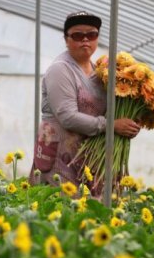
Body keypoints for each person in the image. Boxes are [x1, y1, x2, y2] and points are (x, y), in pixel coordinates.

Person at [31, 11, 140, 195]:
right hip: (60, 157)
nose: (85, 40)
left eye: (91, 34)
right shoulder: (60, 70)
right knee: (59, 210)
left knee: (90, 215)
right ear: (66, 39)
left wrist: (130, 120)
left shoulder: (100, 72)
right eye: (77, 35)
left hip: (89, 159)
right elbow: (67, 117)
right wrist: (112, 126)